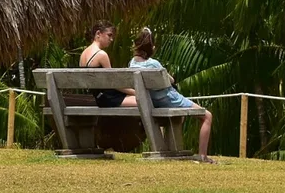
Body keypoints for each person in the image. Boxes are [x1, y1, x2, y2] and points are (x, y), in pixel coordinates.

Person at [129, 28, 214, 162]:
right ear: (151, 47)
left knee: (180, 117)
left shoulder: (132, 64)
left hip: (152, 101)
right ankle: (203, 155)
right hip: (169, 99)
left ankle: (174, 146)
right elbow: (170, 80)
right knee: (207, 116)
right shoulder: (154, 64)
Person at [79, 21, 134, 108]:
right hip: (108, 98)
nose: (111, 39)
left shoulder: (83, 54)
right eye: (109, 35)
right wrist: (136, 92)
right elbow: (113, 83)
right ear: (98, 33)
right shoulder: (101, 55)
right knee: (146, 100)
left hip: (100, 98)